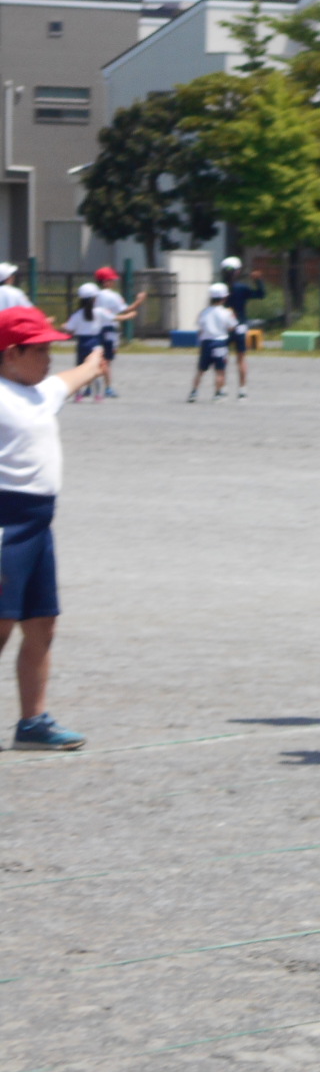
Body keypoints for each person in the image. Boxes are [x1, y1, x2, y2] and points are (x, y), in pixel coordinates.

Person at [0, 307, 108, 749]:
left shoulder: (41, 391)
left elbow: (75, 376)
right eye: (40, 349)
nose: (48, 357)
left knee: (42, 624)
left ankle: (33, 722)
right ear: (10, 353)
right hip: (5, 523)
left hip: (39, 525)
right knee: (1, 626)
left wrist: (94, 360)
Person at [89, 266, 145, 399]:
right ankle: (108, 388)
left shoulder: (93, 294)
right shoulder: (113, 296)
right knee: (107, 360)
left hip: (94, 329)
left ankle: (88, 387)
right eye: (112, 280)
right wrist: (140, 300)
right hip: (109, 329)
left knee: (94, 358)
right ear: (106, 282)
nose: (114, 282)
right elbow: (126, 309)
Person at [62, 284, 118, 403]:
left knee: (80, 369)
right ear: (94, 299)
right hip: (95, 343)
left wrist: (63, 327)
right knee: (95, 368)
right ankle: (97, 395)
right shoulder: (99, 312)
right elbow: (113, 319)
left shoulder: (77, 314)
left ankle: (78, 395)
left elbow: (69, 328)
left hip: (82, 343)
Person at [222, 256, 265, 399]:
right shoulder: (241, 288)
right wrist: (258, 281)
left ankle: (222, 387)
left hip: (223, 327)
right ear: (238, 271)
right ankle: (242, 389)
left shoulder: (220, 288)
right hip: (240, 325)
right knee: (241, 359)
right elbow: (261, 294)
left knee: (222, 358)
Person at [187, 283, 238, 402]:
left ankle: (194, 392)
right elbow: (232, 327)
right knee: (220, 370)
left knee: (201, 370)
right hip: (220, 342)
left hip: (206, 342)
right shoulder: (226, 312)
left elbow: (201, 328)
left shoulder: (204, 312)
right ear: (224, 298)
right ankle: (218, 393)